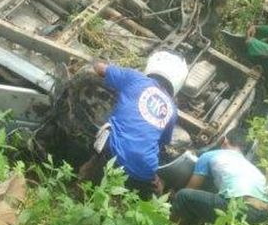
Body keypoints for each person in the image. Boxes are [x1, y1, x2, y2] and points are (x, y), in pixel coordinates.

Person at [78, 50, 188, 199]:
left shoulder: (135, 78)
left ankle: (86, 183)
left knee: (88, 183)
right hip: (144, 172)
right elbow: (161, 144)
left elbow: (100, 69)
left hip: (112, 155)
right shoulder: (172, 110)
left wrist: (94, 60)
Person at [171, 128, 268, 225]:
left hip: (242, 208)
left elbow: (192, 187)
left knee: (183, 196)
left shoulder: (210, 155)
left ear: (225, 141)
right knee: (203, 206)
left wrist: (174, 195)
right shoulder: (250, 166)